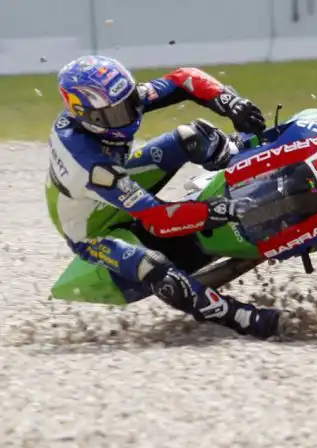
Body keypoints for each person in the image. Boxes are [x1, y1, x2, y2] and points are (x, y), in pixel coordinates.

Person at [46, 55, 288, 340]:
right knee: (156, 268)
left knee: (194, 136)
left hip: (116, 180)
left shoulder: (118, 101)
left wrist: (227, 101)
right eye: (115, 114)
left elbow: (183, 79)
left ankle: (260, 156)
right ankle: (238, 317)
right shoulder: (87, 164)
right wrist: (221, 210)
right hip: (92, 228)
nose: (129, 117)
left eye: (131, 103)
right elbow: (159, 220)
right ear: (86, 116)